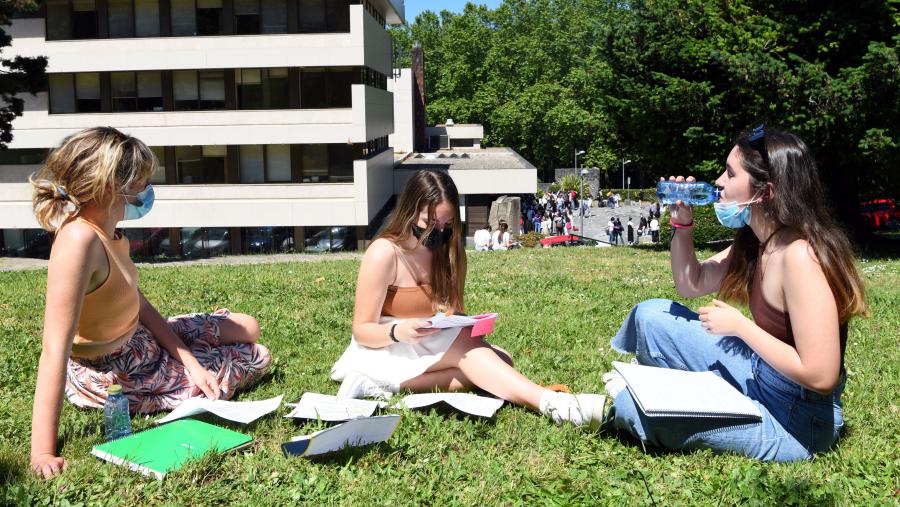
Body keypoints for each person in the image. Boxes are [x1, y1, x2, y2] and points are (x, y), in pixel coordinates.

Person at [602, 127, 868, 462]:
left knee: (631, 408)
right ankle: (709, 395)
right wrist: (683, 225)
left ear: (765, 192)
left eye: (730, 173)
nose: (718, 181)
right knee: (649, 316)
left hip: (798, 421)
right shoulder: (758, 241)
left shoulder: (800, 256)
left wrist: (741, 327)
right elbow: (691, 283)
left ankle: (697, 399)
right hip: (759, 372)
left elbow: (821, 375)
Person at [28, 127, 270, 479]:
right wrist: (43, 452)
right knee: (255, 355)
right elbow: (54, 349)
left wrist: (189, 360)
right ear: (111, 186)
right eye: (140, 181)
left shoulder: (112, 231)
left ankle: (193, 361)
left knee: (248, 327)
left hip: (140, 337)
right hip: (114, 368)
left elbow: (135, 302)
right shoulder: (78, 240)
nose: (146, 190)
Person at [330, 170, 605, 427]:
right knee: (483, 361)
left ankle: (382, 386)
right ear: (409, 213)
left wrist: (466, 322)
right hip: (387, 345)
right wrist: (398, 331)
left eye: (447, 224)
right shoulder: (384, 253)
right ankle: (552, 403)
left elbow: (453, 313)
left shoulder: (450, 253)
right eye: (430, 224)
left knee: (501, 360)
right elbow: (362, 330)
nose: (438, 232)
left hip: (429, 341)